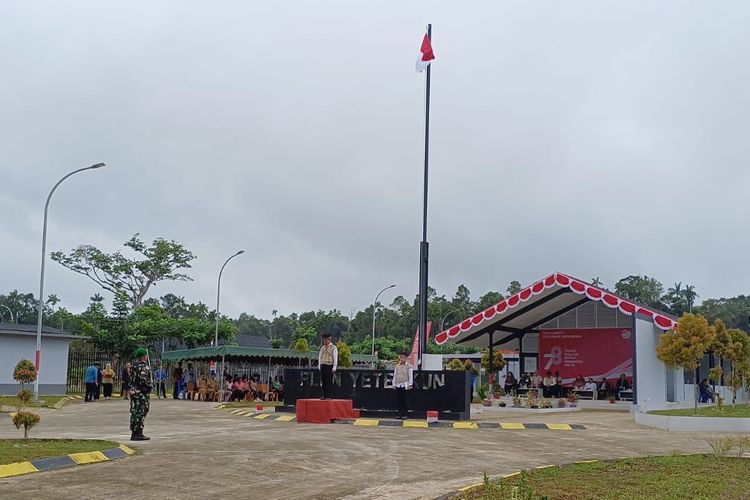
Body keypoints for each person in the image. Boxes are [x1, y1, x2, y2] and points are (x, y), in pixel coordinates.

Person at [129, 347, 153, 441]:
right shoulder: (144, 366)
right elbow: (143, 378)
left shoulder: (134, 366)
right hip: (141, 392)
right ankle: (139, 433)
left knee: (134, 411)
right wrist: (148, 386)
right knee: (141, 411)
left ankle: (134, 432)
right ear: (144, 356)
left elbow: (132, 379)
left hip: (134, 392)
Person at [392, 352, 413, 419]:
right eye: (400, 357)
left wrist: (410, 384)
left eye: (403, 357)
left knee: (405, 400)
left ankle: (405, 414)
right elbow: (395, 375)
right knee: (398, 400)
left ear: (406, 358)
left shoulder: (409, 366)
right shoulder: (397, 366)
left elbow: (410, 376)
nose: (401, 359)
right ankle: (399, 413)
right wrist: (394, 383)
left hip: (405, 385)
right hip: (398, 384)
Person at [318, 332, 338, 400]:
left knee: (329, 381)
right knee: (323, 381)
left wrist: (334, 366)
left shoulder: (333, 347)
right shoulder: (322, 348)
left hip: (329, 365)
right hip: (323, 364)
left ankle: (329, 395)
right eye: (324, 340)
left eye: (326, 340)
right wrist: (319, 365)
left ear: (329, 340)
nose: (325, 342)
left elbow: (335, 357)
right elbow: (320, 356)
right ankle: (324, 395)